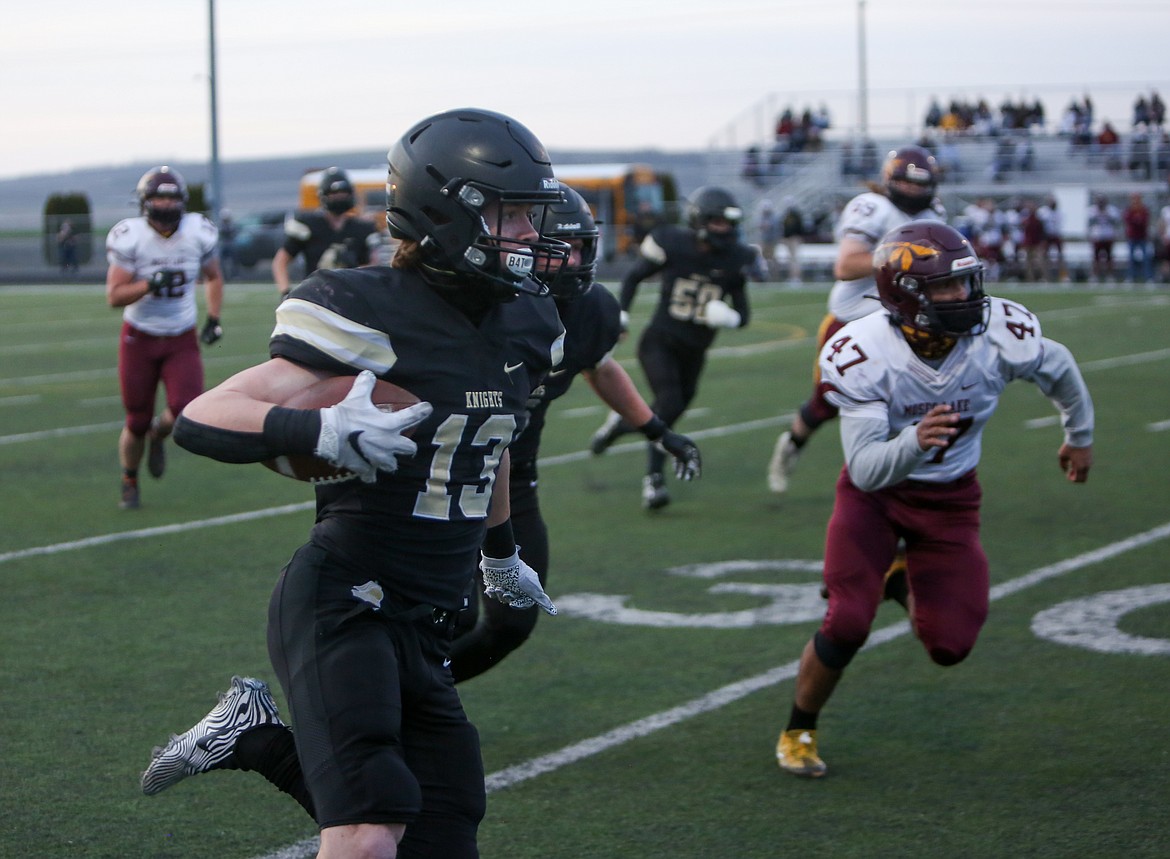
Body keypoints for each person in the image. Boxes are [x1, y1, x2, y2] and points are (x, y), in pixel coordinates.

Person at [140, 108, 571, 859]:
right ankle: (258, 735)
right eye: (511, 214)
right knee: (368, 834)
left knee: (441, 838)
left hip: (427, 618)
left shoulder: (528, 319)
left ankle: (255, 735)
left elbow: (493, 440)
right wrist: (317, 430)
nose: (532, 234)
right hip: (344, 598)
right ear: (446, 212)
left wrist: (499, 555)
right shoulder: (368, 308)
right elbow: (204, 413)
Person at [774, 220, 1094, 779]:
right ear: (908, 295)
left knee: (950, 644)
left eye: (967, 282)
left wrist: (1079, 435)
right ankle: (799, 728)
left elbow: (1058, 366)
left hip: (951, 502)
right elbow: (869, 471)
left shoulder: (997, 334)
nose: (965, 297)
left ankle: (896, 576)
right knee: (848, 621)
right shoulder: (866, 350)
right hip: (876, 499)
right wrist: (914, 442)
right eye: (947, 287)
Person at [449, 184, 701, 681]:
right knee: (447, 617)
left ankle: (424, 697)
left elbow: (599, 366)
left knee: (513, 621)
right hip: (444, 476)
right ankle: (407, 710)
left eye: (583, 247)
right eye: (560, 249)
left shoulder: (592, 310)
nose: (573, 261)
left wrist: (655, 429)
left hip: (514, 475)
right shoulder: (486, 306)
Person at [766, 144, 945, 495]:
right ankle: (790, 445)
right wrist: (904, 257)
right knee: (825, 404)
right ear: (890, 180)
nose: (913, 191)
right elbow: (846, 266)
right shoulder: (872, 207)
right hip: (853, 323)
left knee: (909, 402)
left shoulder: (934, 216)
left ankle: (903, 479)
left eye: (920, 184)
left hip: (904, 326)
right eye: (907, 183)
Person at [589, 185, 764, 510]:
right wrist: (623, 316)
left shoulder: (735, 258)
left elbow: (744, 317)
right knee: (668, 402)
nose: (724, 230)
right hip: (660, 342)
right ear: (700, 220)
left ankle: (620, 425)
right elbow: (632, 278)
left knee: (671, 411)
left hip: (695, 351)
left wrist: (728, 316)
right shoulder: (674, 242)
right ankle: (654, 480)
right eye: (718, 222)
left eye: (728, 224)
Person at [105, 166, 224, 510]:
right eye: (159, 196)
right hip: (139, 338)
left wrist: (214, 318)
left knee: (185, 409)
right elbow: (114, 296)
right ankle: (130, 478)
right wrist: (149, 284)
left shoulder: (197, 231)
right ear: (145, 202)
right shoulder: (132, 236)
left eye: (171, 197)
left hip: (180, 336)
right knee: (136, 420)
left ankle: (160, 434)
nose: (165, 203)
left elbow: (214, 276)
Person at [272, 166, 381, 300]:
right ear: (324, 196)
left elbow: (370, 266)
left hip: (350, 296)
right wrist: (285, 292)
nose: (340, 198)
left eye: (343, 194)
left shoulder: (362, 228)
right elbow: (280, 261)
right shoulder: (309, 225)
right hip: (315, 296)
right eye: (334, 194)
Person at [1087, 195, 1121, 283]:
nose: (1101, 203)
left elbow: (1116, 222)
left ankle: (1110, 276)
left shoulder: (1111, 210)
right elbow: (1090, 223)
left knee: (1109, 257)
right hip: (1097, 236)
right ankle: (1094, 276)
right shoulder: (1092, 210)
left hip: (1108, 236)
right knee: (1096, 258)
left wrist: (1106, 215)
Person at [1122, 192, 1152, 284]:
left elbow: (1144, 221)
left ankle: (1148, 277)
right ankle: (1131, 277)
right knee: (1131, 258)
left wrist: (1137, 220)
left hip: (1142, 236)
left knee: (1146, 258)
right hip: (1132, 236)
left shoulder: (1143, 210)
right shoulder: (1129, 210)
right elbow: (1128, 221)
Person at [217, 209, 239, 281]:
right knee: (221, 261)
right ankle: (223, 276)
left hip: (230, 244)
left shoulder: (231, 225)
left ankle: (234, 275)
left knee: (233, 261)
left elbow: (233, 233)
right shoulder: (221, 226)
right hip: (224, 245)